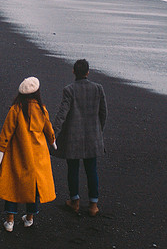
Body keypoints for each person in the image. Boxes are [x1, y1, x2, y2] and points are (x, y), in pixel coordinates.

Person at [0, 76, 57, 232]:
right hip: (38, 155)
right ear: (37, 93)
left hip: (19, 153)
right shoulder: (42, 109)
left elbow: (6, 132)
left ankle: (10, 221)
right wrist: (52, 142)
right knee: (34, 186)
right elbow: (49, 129)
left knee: (13, 185)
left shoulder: (16, 109)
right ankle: (29, 218)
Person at [53, 59, 108, 216]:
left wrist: (53, 133)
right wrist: (99, 130)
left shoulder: (69, 90)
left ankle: (75, 201)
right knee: (92, 170)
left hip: (73, 138)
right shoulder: (98, 89)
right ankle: (93, 205)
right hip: (93, 136)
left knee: (73, 169)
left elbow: (62, 114)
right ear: (88, 72)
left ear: (73, 72)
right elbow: (103, 113)